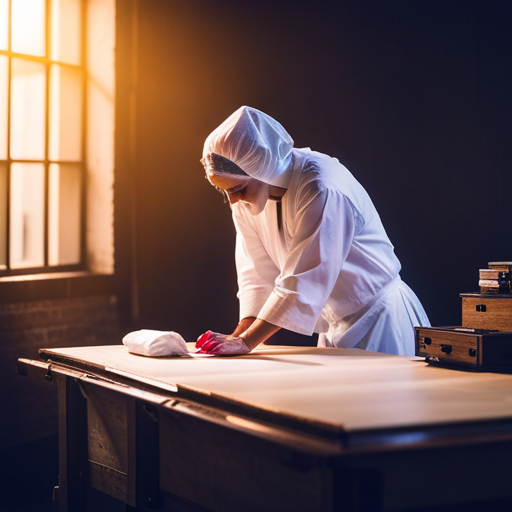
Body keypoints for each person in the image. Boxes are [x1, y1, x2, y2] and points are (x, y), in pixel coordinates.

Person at [196, 106, 430, 356]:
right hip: (332, 325)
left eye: (238, 189)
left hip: (380, 320)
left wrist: (246, 343)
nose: (233, 200)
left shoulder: (321, 187)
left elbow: (305, 278)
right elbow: (256, 275)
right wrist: (236, 337)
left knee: (383, 395)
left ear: (261, 169)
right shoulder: (247, 198)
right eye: (224, 191)